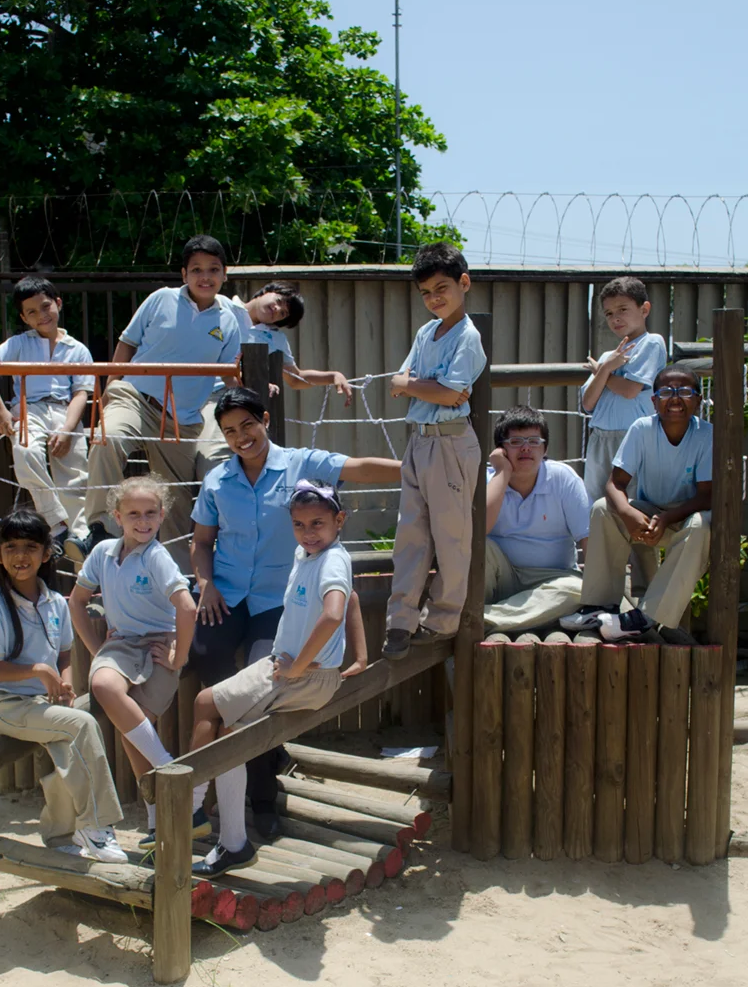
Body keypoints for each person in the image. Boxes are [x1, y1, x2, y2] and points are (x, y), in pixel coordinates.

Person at [189, 386, 400, 837]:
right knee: (205, 656)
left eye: (248, 424)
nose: (241, 437)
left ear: (265, 419)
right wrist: (205, 585)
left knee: (263, 689)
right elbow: (201, 542)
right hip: (227, 594)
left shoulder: (301, 463)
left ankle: (263, 800)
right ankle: (241, 769)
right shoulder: (216, 481)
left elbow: (359, 467)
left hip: (279, 602)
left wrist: (418, 470)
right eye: (230, 431)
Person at [187, 480, 358, 878]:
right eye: (299, 524)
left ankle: (191, 806)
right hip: (289, 668)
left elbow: (334, 613)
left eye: (317, 523)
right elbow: (350, 599)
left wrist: (298, 667)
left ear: (339, 520)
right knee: (230, 732)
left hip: (300, 674)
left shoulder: (331, 561)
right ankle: (234, 844)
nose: (308, 532)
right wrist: (362, 656)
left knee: (204, 703)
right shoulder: (308, 554)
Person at [78, 235, 242, 571]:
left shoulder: (229, 320)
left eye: (213, 269)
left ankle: (179, 581)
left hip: (183, 419)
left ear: (224, 274)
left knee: (176, 504)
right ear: (184, 274)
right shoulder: (160, 299)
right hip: (135, 398)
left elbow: (230, 376)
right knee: (108, 438)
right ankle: (99, 530)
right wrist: (110, 388)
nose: (205, 277)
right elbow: (127, 342)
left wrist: (247, 403)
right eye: (196, 269)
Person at [0, 508, 126, 863]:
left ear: (46, 553)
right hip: (10, 706)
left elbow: (65, 656)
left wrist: (65, 687)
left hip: (45, 704)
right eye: (11, 547)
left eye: (30, 547)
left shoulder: (57, 602)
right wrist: (41, 672)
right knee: (81, 726)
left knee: (76, 737)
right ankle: (96, 825)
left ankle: (59, 836)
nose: (20, 555)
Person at [69, 477, 197, 853]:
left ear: (162, 515)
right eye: (134, 514)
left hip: (160, 645)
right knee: (104, 685)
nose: (143, 522)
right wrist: (97, 650)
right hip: (122, 643)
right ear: (117, 516)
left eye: (150, 513)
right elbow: (76, 601)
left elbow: (187, 607)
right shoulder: (102, 553)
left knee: (135, 730)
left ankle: (158, 821)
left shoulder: (156, 556)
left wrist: (179, 656)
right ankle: (170, 768)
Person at [382, 242, 486, 659]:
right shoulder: (426, 333)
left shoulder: (468, 337)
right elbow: (402, 381)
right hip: (419, 439)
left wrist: (416, 386)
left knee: (451, 535)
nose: (434, 298)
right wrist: (422, 386)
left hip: (450, 442)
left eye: (442, 288)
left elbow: (447, 393)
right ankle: (400, 620)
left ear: (464, 283)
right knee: (410, 532)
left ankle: (443, 619)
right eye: (426, 293)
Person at [569, 367, 712, 641]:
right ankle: (599, 606)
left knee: (701, 524)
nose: (675, 398)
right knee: (603, 508)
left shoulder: (707, 435)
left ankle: (646, 616)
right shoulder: (642, 429)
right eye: (666, 392)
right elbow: (615, 483)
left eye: (684, 391)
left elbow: (707, 495)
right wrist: (627, 513)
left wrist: (668, 518)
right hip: (650, 516)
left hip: (686, 518)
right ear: (654, 401)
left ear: (698, 400)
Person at [0, 276, 93, 553]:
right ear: (24, 318)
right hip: (29, 409)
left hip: (65, 410)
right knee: (25, 453)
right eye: (31, 312)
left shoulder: (77, 349)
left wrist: (67, 428)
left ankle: (80, 540)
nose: (41, 315)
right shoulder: (19, 343)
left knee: (74, 475)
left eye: (45, 306)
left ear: (58, 303)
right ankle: (56, 523)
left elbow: (81, 393)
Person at [483, 406, 591, 637]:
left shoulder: (564, 479)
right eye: (515, 442)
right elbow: (478, 532)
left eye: (534, 441)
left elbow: (588, 540)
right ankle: (522, 617)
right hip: (503, 579)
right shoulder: (488, 481)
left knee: (579, 589)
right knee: (477, 548)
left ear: (545, 448)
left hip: (555, 580)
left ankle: (483, 619)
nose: (525, 448)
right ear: (501, 449)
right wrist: (502, 473)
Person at [581, 276, 667, 503]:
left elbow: (630, 390)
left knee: (632, 500)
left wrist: (602, 373)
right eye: (609, 313)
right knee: (596, 501)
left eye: (623, 309)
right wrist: (607, 368)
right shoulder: (606, 358)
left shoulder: (651, 343)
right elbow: (588, 403)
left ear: (644, 309)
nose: (615, 318)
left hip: (633, 436)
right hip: (600, 437)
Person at [221, 282, 354, 403]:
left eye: (283, 313)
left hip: (241, 402)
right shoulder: (222, 305)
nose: (277, 309)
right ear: (267, 291)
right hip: (211, 389)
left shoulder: (276, 339)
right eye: (278, 301)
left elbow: (295, 379)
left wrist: (332, 376)